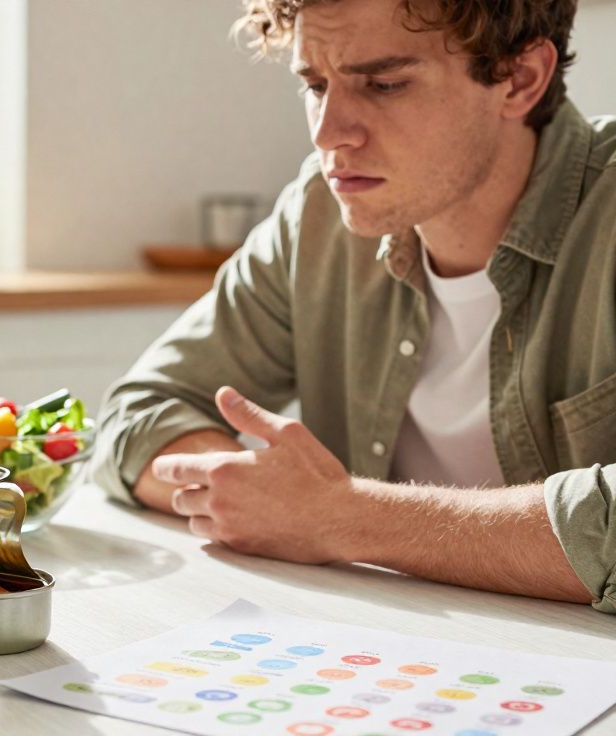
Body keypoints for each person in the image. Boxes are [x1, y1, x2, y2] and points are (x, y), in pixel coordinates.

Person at [90, 0, 616, 612]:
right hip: (388, 656)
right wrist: (260, 497)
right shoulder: (316, 214)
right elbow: (142, 410)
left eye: (385, 83)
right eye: (314, 85)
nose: (327, 132)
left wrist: (341, 518)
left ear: (520, 78)